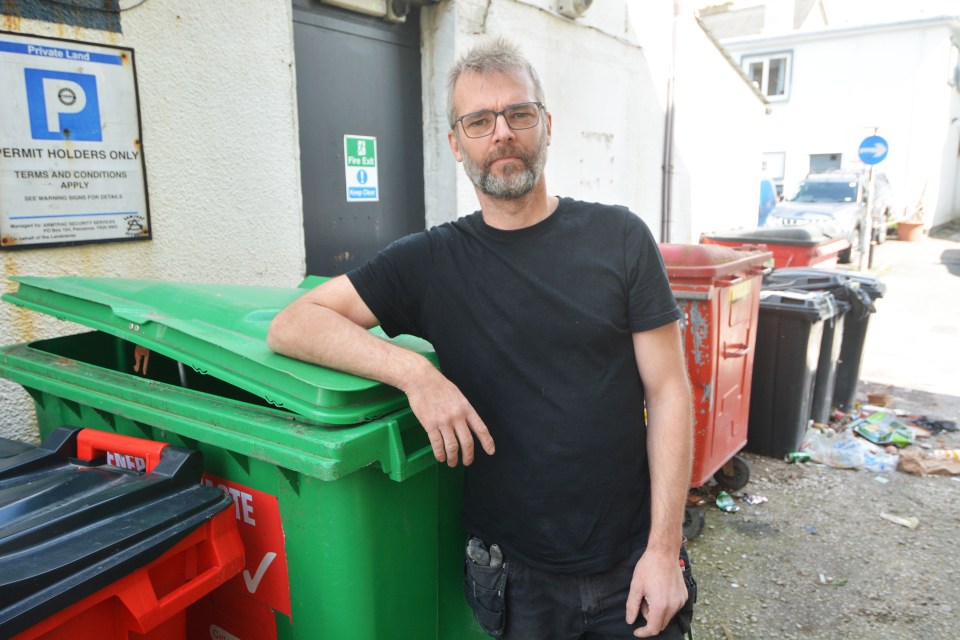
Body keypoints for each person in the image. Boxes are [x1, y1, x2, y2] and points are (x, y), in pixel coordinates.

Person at [267, 37, 694, 639]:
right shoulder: (430, 260)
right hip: (515, 580)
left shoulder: (619, 238)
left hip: (631, 562)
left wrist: (664, 549)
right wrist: (415, 374)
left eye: (519, 114)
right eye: (479, 120)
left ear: (545, 125)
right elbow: (294, 323)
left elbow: (670, 391)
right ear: (455, 143)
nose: (502, 134)